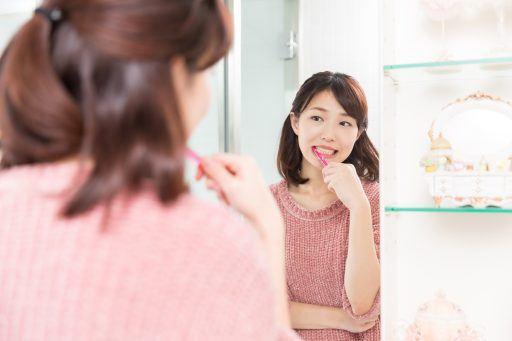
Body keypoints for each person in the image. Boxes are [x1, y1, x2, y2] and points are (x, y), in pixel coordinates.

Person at [0, 1, 300, 340]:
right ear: (172, 78)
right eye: (207, 75)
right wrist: (267, 227)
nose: (205, 99)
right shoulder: (204, 243)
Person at [271, 71, 381, 340]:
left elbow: (362, 304)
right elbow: (266, 306)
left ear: (358, 133)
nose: (329, 135)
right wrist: (341, 319)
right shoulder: (269, 203)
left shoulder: (373, 199)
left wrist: (359, 206)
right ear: (296, 122)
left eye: (344, 123)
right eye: (317, 118)